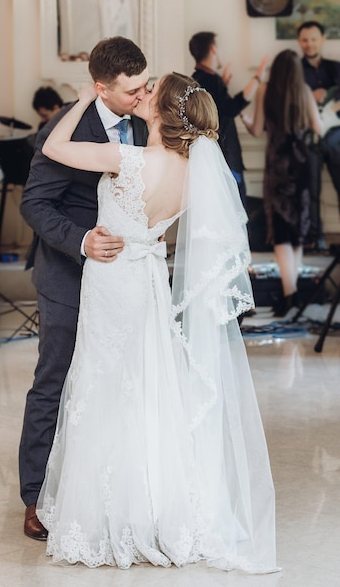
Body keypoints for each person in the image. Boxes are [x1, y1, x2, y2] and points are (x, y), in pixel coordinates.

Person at [35, 73, 278, 573]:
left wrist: (87, 95)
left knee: (103, 388)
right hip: (148, 282)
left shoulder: (129, 161)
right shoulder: (195, 176)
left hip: (111, 280)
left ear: (164, 114)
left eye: (152, 91)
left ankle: (106, 515)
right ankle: (156, 509)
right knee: (148, 390)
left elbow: (55, 145)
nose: (143, 94)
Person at [19, 37, 149, 541]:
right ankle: (34, 498)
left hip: (122, 283)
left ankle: (101, 493)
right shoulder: (65, 130)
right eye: (131, 90)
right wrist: (81, 242)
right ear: (100, 88)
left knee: (113, 388)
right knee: (54, 384)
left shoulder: (145, 122)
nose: (141, 96)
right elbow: (35, 204)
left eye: (144, 84)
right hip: (68, 277)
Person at [241, 49, 323, 316]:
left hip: (277, 166)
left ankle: (290, 295)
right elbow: (318, 128)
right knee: (297, 232)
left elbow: (256, 130)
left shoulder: (265, 90)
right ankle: (293, 293)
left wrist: (244, 117)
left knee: (281, 233)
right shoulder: (305, 92)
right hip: (302, 166)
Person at [189, 31, 269, 208]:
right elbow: (232, 108)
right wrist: (257, 78)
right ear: (213, 49)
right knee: (237, 212)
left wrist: (222, 86)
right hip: (226, 157)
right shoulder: (210, 80)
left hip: (216, 158)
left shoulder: (197, 79)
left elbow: (219, 110)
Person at [297, 21, 340, 249]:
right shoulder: (294, 70)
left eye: (313, 39)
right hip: (307, 139)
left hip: (335, 138)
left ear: (322, 39)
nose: (309, 44)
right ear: (299, 42)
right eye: (305, 40)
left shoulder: (336, 67)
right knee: (310, 190)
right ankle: (315, 240)